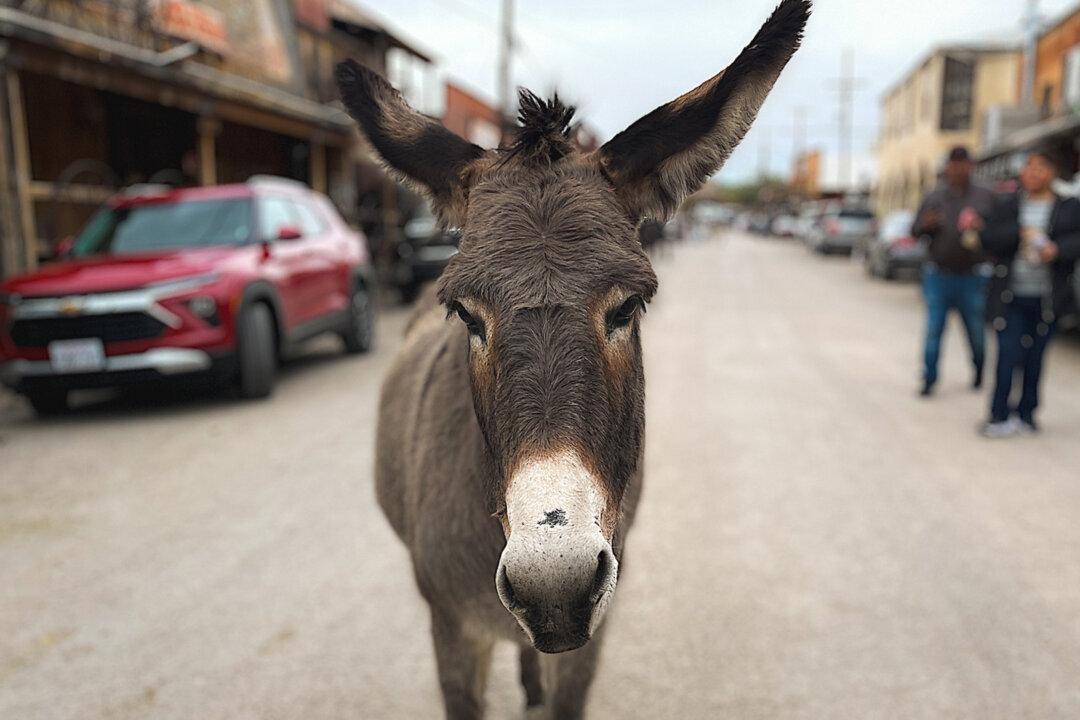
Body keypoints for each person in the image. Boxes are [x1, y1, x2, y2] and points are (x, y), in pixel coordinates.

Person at [979, 149, 1080, 437]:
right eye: (1028, 167)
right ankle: (998, 415)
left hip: (1046, 298)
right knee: (1007, 356)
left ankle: (1026, 414)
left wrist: (1057, 250)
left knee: (1036, 359)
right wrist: (1019, 233)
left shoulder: (1070, 206)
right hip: (1011, 296)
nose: (1032, 173)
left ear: (1052, 172)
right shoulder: (1008, 204)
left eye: (1039, 167)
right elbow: (989, 239)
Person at [911, 146, 994, 396]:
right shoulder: (934, 196)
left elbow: (1000, 234)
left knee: (976, 332)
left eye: (963, 164)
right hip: (939, 275)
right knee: (934, 329)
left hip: (973, 276)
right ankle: (929, 378)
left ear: (971, 166)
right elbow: (914, 231)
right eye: (953, 164)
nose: (957, 169)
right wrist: (927, 224)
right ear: (947, 166)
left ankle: (979, 370)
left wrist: (982, 228)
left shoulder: (985, 196)